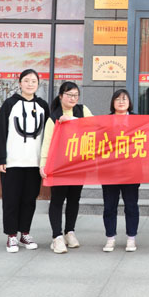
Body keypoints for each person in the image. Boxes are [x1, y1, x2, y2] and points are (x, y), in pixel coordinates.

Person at [0, 69, 50, 253]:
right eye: (26, 80)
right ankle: (11, 235)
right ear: (20, 83)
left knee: (29, 200)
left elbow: (49, 134)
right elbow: (1, 132)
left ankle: (25, 233)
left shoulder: (42, 105)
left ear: (38, 84)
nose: (30, 84)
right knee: (11, 199)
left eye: (33, 81)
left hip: (34, 162)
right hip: (13, 161)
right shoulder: (10, 104)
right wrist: (1, 158)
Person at [39, 81, 92, 254]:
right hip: (59, 164)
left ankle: (70, 232)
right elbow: (47, 142)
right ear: (61, 96)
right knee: (57, 199)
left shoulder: (83, 110)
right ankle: (57, 236)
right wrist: (43, 164)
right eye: (69, 95)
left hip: (78, 163)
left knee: (74, 198)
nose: (73, 98)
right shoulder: (53, 117)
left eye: (76, 95)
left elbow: (94, 126)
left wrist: (72, 121)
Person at [102, 89, 141, 253]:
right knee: (109, 206)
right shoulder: (105, 121)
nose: (121, 102)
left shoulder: (137, 120)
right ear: (113, 102)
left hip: (131, 171)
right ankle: (110, 238)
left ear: (129, 102)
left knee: (131, 206)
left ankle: (131, 238)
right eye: (117, 99)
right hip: (109, 171)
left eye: (124, 99)